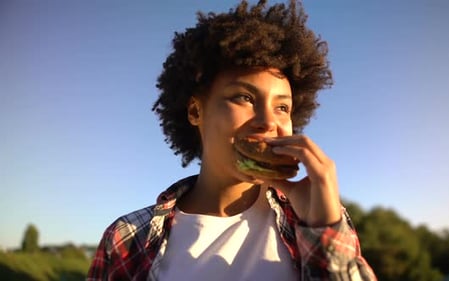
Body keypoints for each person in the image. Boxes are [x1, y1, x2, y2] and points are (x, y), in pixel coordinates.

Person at [87, 0, 377, 280]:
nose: (269, 121)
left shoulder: (316, 219)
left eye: (282, 107)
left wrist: (323, 229)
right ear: (195, 110)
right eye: (245, 97)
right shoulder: (125, 238)